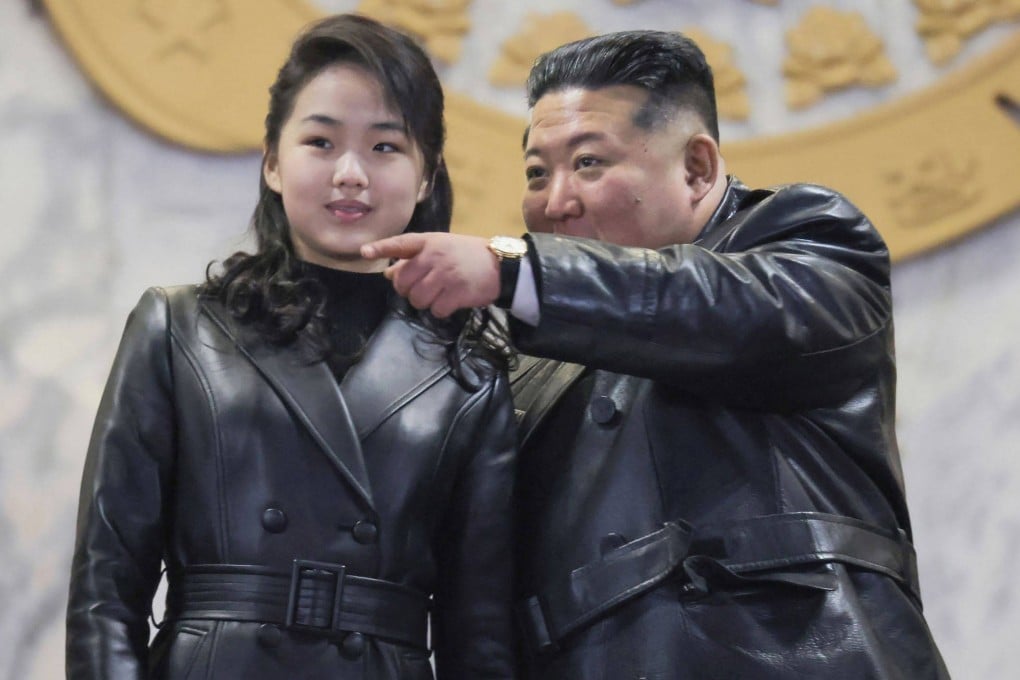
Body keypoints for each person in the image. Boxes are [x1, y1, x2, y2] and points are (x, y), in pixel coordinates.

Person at [362, 29, 950, 679]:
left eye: (588, 163)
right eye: (536, 172)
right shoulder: (523, 362)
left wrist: (517, 274)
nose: (554, 203)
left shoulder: (807, 242)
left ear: (697, 167)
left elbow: (722, 309)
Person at [66, 14, 518, 680]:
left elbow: (479, 636)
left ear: (426, 178)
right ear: (274, 162)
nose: (350, 174)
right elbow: (107, 589)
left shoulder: (470, 373)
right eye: (320, 141)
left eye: (386, 147)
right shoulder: (182, 328)